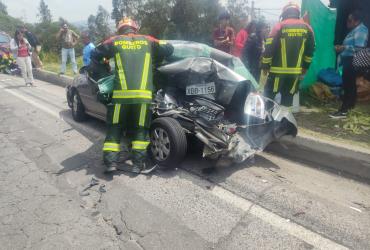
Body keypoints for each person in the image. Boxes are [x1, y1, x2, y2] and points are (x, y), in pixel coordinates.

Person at [91, 18, 174, 174]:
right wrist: (154, 58)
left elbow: (95, 53)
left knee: (114, 128)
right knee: (140, 130)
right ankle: (137, 165)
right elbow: (169, 49)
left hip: (120, 97)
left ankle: (110, 163)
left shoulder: (115, 41)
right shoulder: (148, 40)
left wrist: (105, 67)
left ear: (120, 29)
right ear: (135, 29)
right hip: (143, 97)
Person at [261, 2, 315, 109]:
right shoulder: (307, 28)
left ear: (284, 13)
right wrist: (305, 67)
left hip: (276, 73)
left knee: (268, 100)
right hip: (295, 74)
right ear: (297, 13)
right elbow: (310, 51)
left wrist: (265, 66)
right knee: (287, 101)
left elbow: (269, 48)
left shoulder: (279, 26)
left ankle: (267, 122)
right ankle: (284, 122)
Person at [330, 11, 369, 119]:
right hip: (348, 60)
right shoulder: (355, 30)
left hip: (353, 60)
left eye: (350, 20)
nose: (347, 22)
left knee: (348, 86)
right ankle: (349, 107)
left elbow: (360, 48)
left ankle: (344, 110)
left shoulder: (361, 30)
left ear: (357, 21)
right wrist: (342, 48)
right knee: (349, 85)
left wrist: (344, 48)